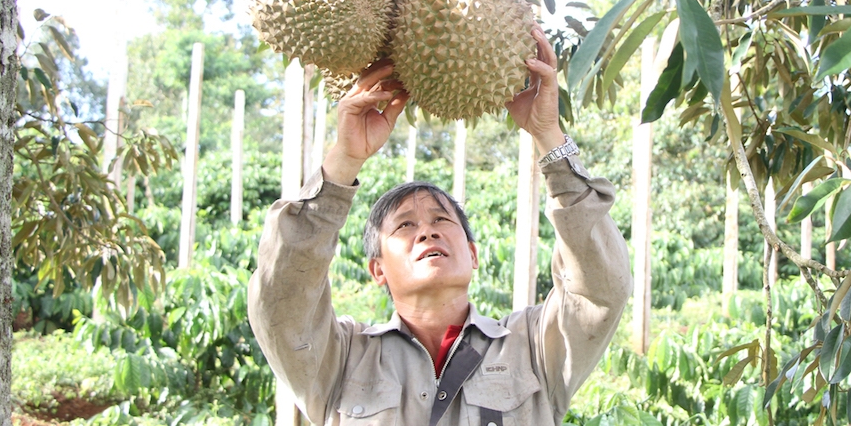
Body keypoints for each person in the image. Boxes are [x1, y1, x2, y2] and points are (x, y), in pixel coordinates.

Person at [247, 28, 632, 426]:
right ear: (377, 269)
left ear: (473, 254)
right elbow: (281, 298)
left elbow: (601, 288)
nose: (427, 232)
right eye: (404, 226)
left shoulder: (533, 347)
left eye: (441, 220)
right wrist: (344, 160)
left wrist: (548, 136)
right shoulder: (341, 359)